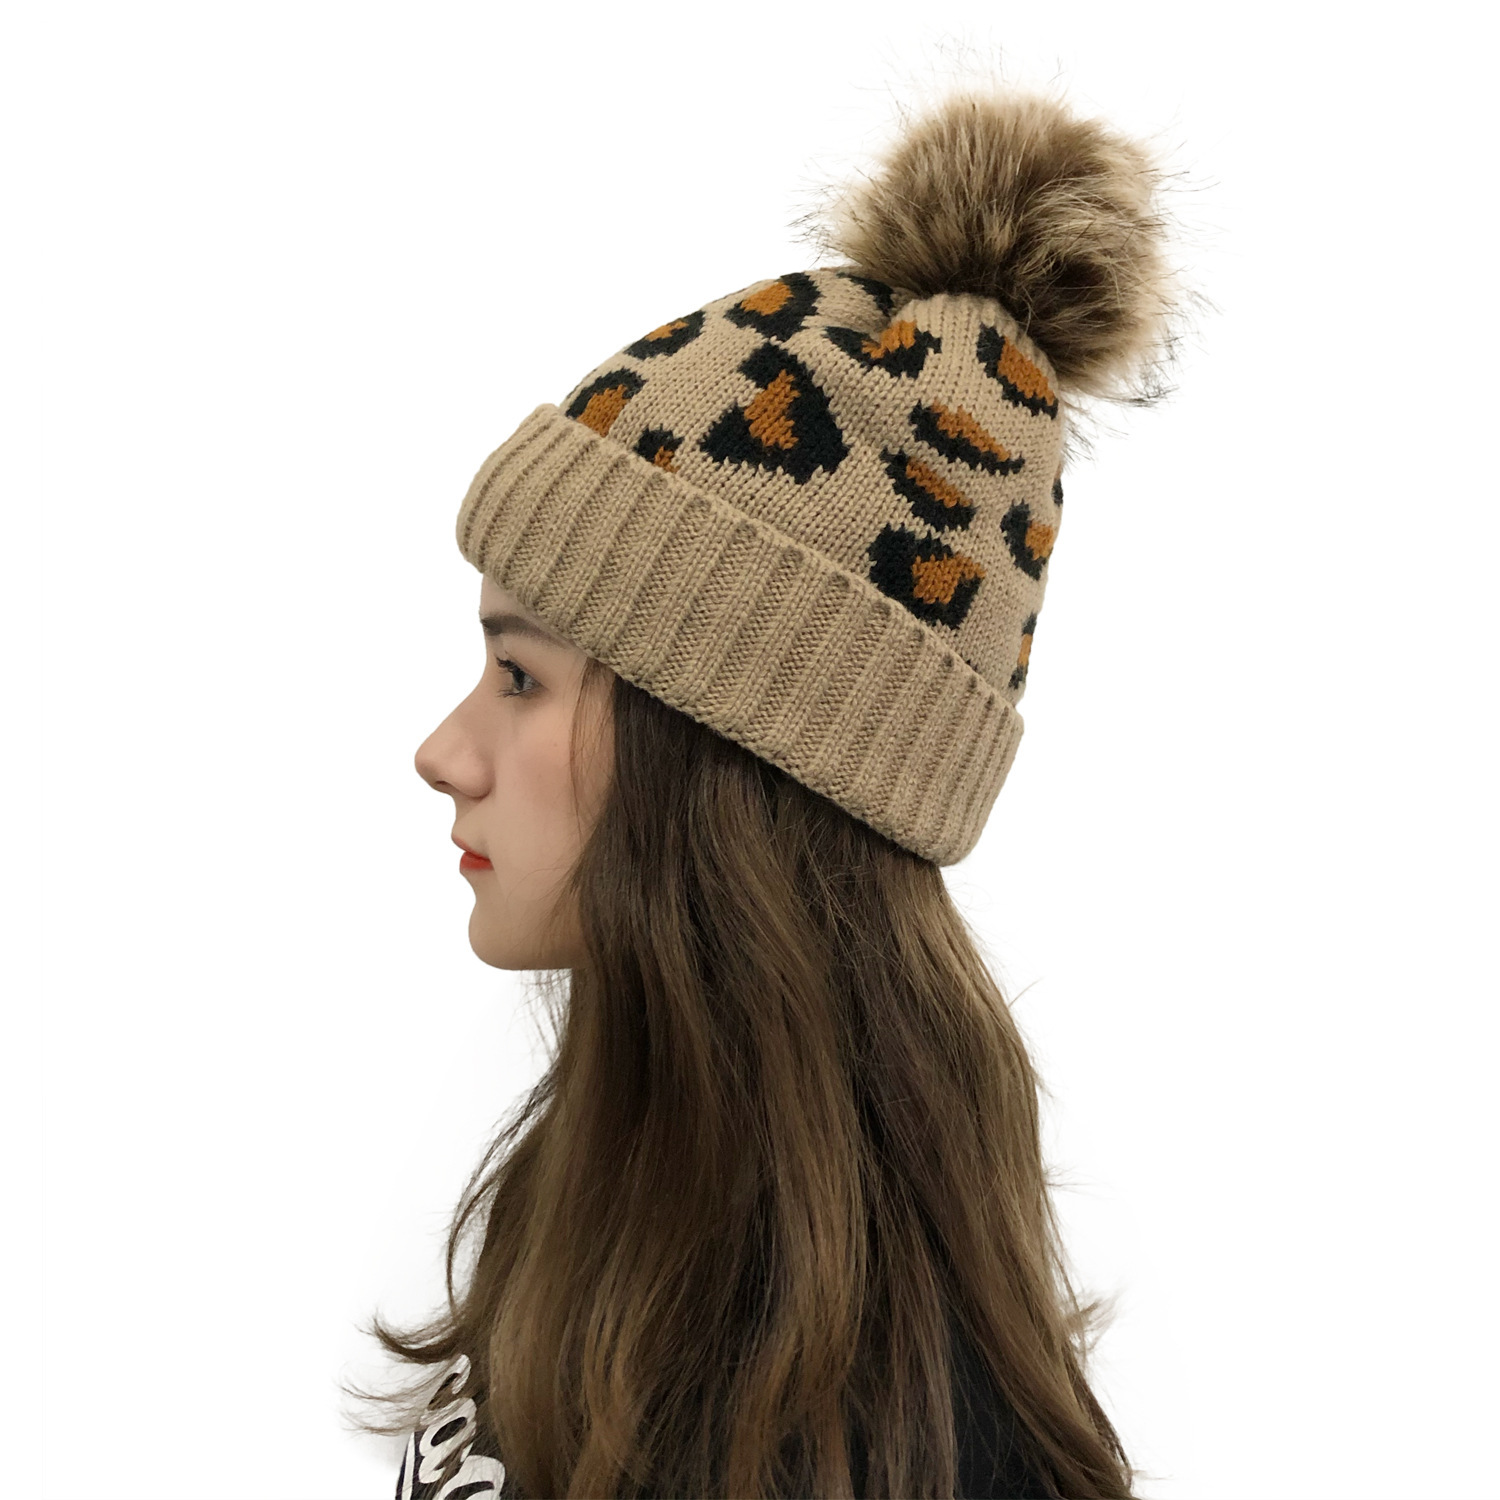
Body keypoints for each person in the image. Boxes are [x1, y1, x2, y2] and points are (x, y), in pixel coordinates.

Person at [355, 84, 1181, 1499]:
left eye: (522, 676)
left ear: (728, 754)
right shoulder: (608, 1206)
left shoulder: (886, 1438)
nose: (445, 749)